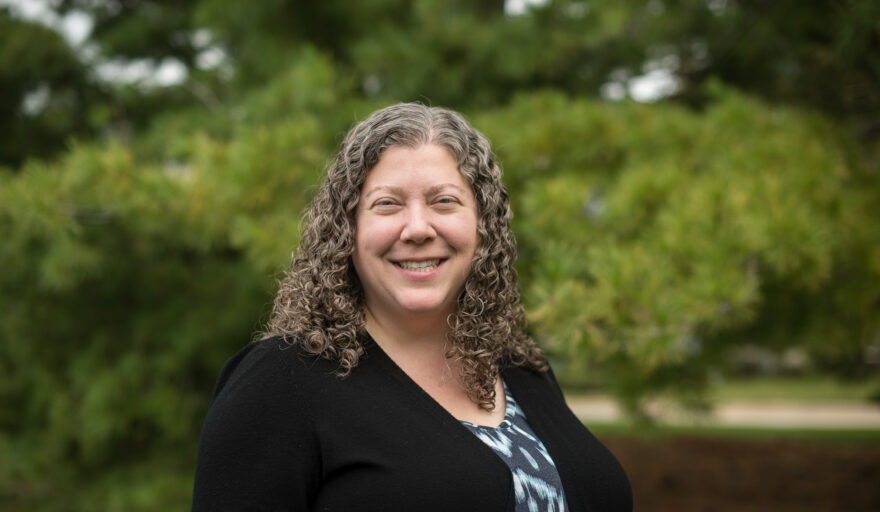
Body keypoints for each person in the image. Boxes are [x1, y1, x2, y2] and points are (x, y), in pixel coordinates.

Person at [191, 103, 632, 511]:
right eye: (388, 205)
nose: (417, 228)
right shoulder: (280, 384)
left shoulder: (520, 367)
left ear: (482, 228)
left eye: (444, 201)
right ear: (346, 230)